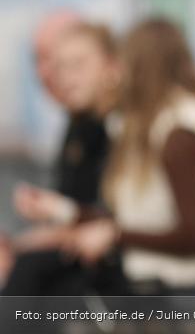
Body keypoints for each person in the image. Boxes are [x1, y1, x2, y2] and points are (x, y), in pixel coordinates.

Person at [56, 17, 195, 312]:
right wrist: (63, 211)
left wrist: (115, 235)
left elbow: (194, 236)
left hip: (188, 300)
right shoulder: (169, 122)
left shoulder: (181, 132)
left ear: (140, 67)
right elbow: (147, 218)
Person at [1, 20, 120, 331]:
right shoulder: (80, 123)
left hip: (114, 276)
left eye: (77, 65)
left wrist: (35, 237)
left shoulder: (123, 126)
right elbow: (81, 212)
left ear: (113, 66)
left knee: (27, 277)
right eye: (59, 67)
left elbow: (111, 221)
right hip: (85, 265)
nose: (64, 78)